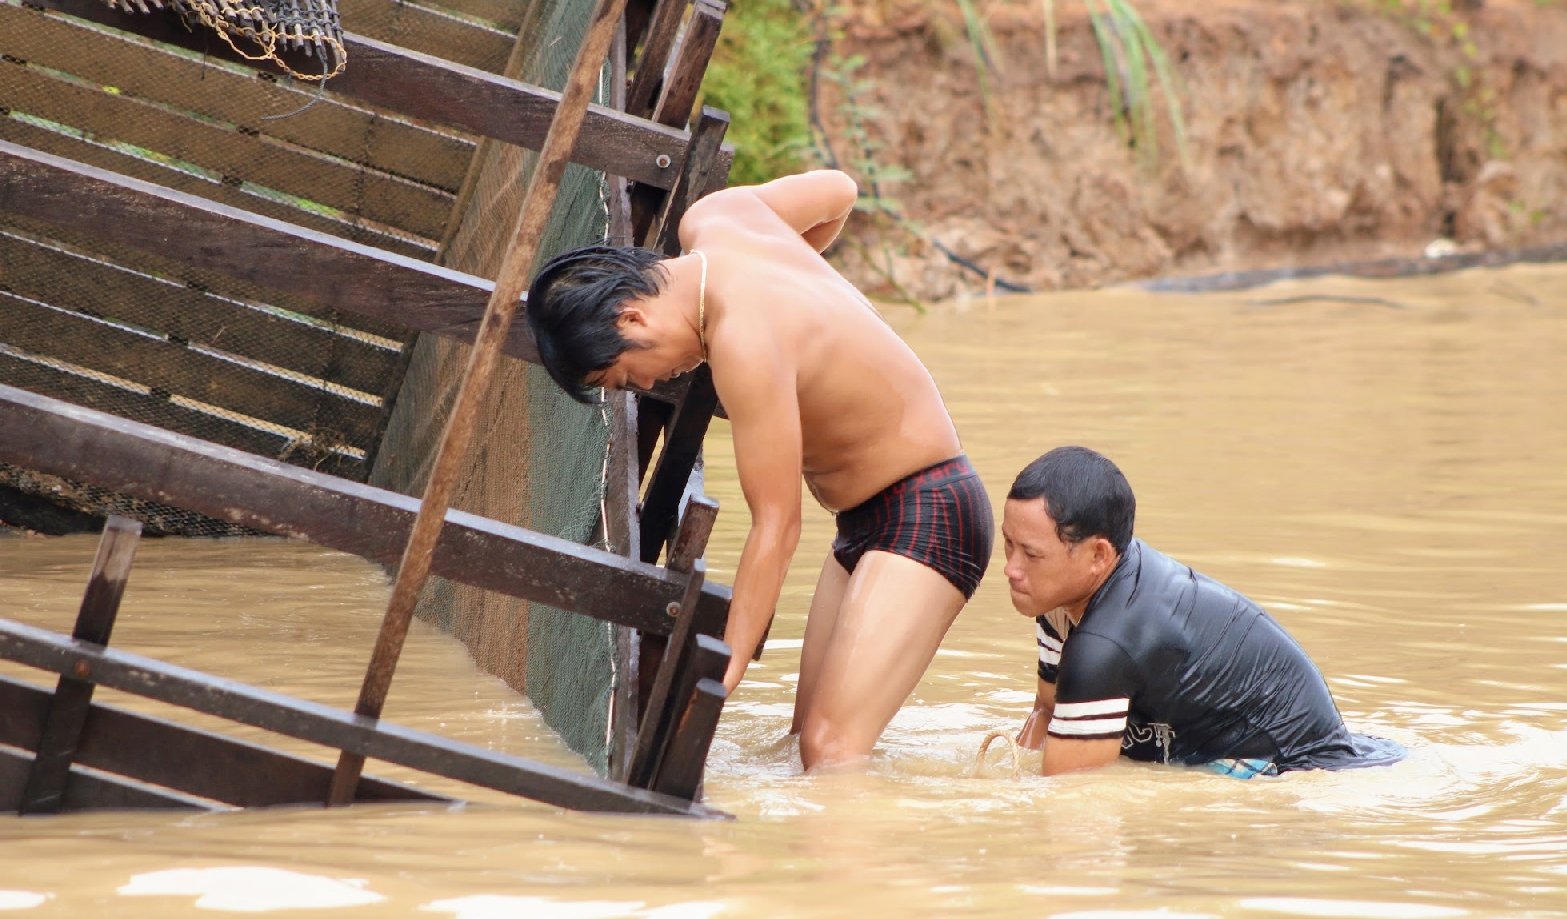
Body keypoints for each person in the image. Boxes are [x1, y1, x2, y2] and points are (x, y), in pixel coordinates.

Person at [525, 170, 993, 770]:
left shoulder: (744, 341)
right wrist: (806, 290)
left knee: (831, 751)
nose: (645, 385)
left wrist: (724, 671)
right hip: (866, 521)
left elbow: (776, 526)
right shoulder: (716, 218)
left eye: (624, 376)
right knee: (803, 747)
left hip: (931, 511)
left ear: (632, 319)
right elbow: (841, 189)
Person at [1003, 446, 1404, 777]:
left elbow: (1071, 796)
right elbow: (1047, 709)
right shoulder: (1063, 594)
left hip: (1294, 768)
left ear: (1097, 555)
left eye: (1031, 554)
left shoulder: (1105, 643)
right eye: (1008, 545)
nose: (1011, 569)